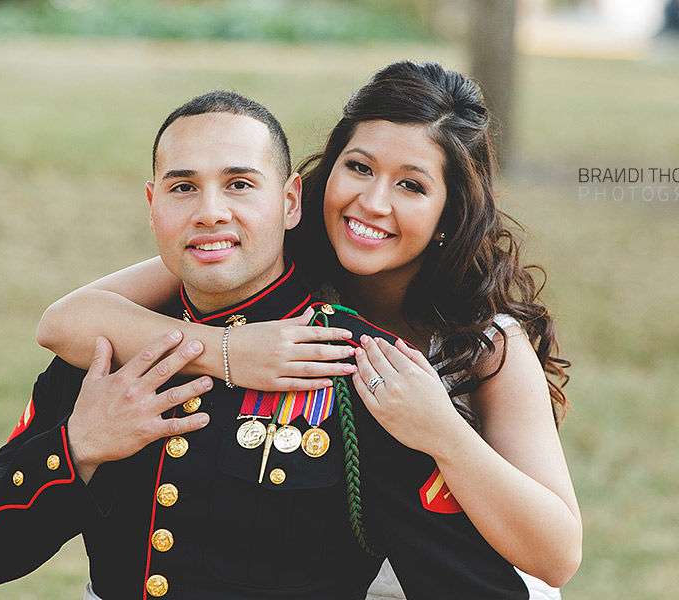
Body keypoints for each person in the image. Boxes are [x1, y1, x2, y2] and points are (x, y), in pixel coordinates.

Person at [37, 61, 582, 598]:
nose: (372, 202)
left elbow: (557, 557)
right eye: (360, 168)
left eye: (411, 186)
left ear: (449, 212)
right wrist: (229, 349)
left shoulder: (482, 342)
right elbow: (64, 322)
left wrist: (440, 430)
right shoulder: (267, 257)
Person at [0, 91, 384, 599]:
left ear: (290, 203)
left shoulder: (354, 361)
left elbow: (448, 566)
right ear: (153, 207)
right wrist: (80, 446)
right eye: (183, 187)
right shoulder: (107, 354)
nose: (209, 212)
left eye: (239, 184)